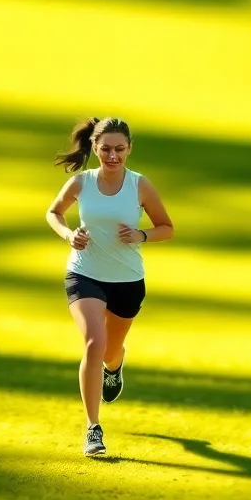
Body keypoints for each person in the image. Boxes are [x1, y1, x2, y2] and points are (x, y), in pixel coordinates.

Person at [46, 116, 174, 457]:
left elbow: (166, 227)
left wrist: (142, 234)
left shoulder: (140, 185)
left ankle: (114, 368)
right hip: (84, 273)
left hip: (127, 279)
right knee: (93, 342)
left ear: (129, 148)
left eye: (119, 149)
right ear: (94, 147)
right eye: (106, 149)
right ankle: (93, 428)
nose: (113, 156)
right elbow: (54, 213)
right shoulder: (82, 183)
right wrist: (69, 234)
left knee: (110, 351)